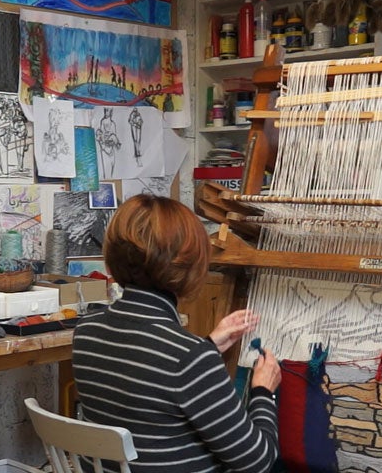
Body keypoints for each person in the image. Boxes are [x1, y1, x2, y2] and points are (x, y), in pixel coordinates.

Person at [72, 195, 281, 472]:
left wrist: (208, 345)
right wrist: (264, 392)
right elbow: (257, 461)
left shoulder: (85, 332)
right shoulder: (190, 359)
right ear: (192, 271)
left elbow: (151, 379)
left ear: (110, 262)